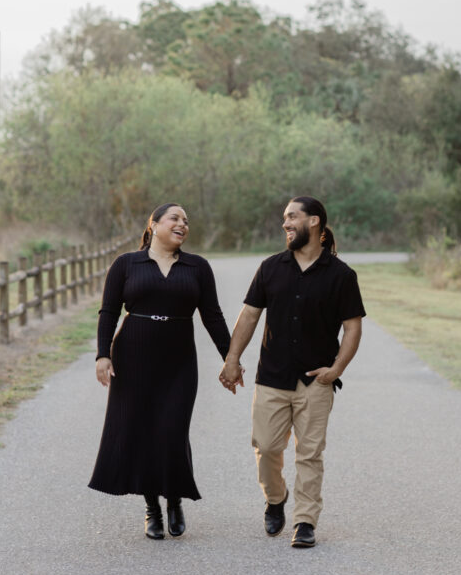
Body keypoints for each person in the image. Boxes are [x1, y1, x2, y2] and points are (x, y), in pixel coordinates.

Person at [219, 196, 365, 548]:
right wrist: (231, 359)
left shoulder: (341, 275)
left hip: (315, 380)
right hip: (272, 377)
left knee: (310, 453)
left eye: (292, 217)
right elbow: (250, 315)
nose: (285, 224)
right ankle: (275, 498)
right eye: (284, 218)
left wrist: (336, 369)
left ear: (314, 222)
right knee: (266, 447)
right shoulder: (271, 268)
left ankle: (305, 521)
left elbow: (353, 327)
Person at [88, 202, 231, 540]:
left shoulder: (197, 267)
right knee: (141, 430)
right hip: (133, 357)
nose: (183, 224)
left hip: (179, 360)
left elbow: (212, 315)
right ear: (153, 224)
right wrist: (102, 355)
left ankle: (174, 499)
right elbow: (108, 312)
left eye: (186, 220)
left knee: (171, 429)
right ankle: (152, 508)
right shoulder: (126, 264)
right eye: (175, 218)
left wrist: (230, 357)